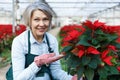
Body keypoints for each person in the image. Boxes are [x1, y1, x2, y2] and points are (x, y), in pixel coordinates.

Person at [11, 1, 81, 80]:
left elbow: (55, 71)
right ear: (29, 21)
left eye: (45, 19)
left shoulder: (51, 40)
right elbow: (18, 78)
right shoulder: (19, 42)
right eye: (36, 19)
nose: (42, 24)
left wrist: (72, 78)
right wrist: (37, 64)